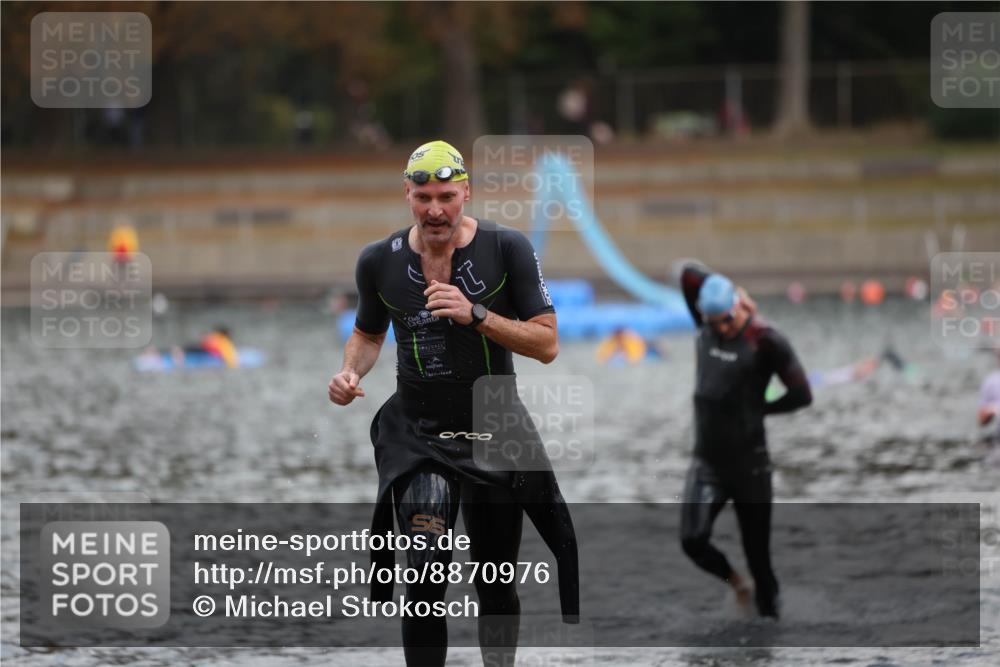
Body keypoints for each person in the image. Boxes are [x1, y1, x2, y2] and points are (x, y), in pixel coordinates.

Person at [328, 140, 578, 666]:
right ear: (408, 194)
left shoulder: (505, 249)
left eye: (446, 196)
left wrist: (477, 315)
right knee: (422, 574)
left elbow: (548, 344)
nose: (435, 210)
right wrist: (351, 371)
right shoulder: (378, 261)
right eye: (423, 197)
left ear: (466, 191)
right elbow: (368, 334)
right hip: (420, 432)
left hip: (493, 426)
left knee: (494, 583)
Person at [678, 264, 812, 618]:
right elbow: (688, 273)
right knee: (692, 540)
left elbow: (802, 394)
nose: (721, 327)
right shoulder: (704, 326)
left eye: (726, 319)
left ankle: (771, 629)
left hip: (750, 467)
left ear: (737, 307)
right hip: (707, 463)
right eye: (713, 320)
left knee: (760, 561)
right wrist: (727, 287)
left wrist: (761, 409)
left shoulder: (765, 339)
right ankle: (738, 583)